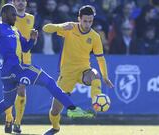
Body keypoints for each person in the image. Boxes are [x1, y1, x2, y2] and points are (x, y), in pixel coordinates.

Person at [0, 4, 95, 135]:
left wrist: (32, 39)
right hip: (16, 68)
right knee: (49, 82)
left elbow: (25, 48)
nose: (15, 17)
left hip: (9, 72)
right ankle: (72, 108)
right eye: (13, 15)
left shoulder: (15, 30)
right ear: (4, 15)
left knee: (7, 102)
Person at [43, 5, 114, 135]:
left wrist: (105, 76)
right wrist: (60, 27)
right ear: (79, 19)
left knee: (95, 74)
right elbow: (46, 28)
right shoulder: (70, 27)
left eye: (90, 21)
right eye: (85, 21)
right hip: (67, 74)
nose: (88, 24)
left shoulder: (95, 36)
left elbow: (100, 58)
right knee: (55, 111)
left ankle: (95, 100)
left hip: (84, 70)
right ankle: (55, 127)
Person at [4, 0, 35, 134]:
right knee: (10, 91)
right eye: (18, 0)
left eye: (23, 0)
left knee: (21, 90)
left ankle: (17, 123)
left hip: (26, 60)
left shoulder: (31, 18)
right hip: (11, 59)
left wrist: (33, 39)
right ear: (13, 2)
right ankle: (8, 117)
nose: (21, 3)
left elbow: (28, 39)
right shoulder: (7, 18)